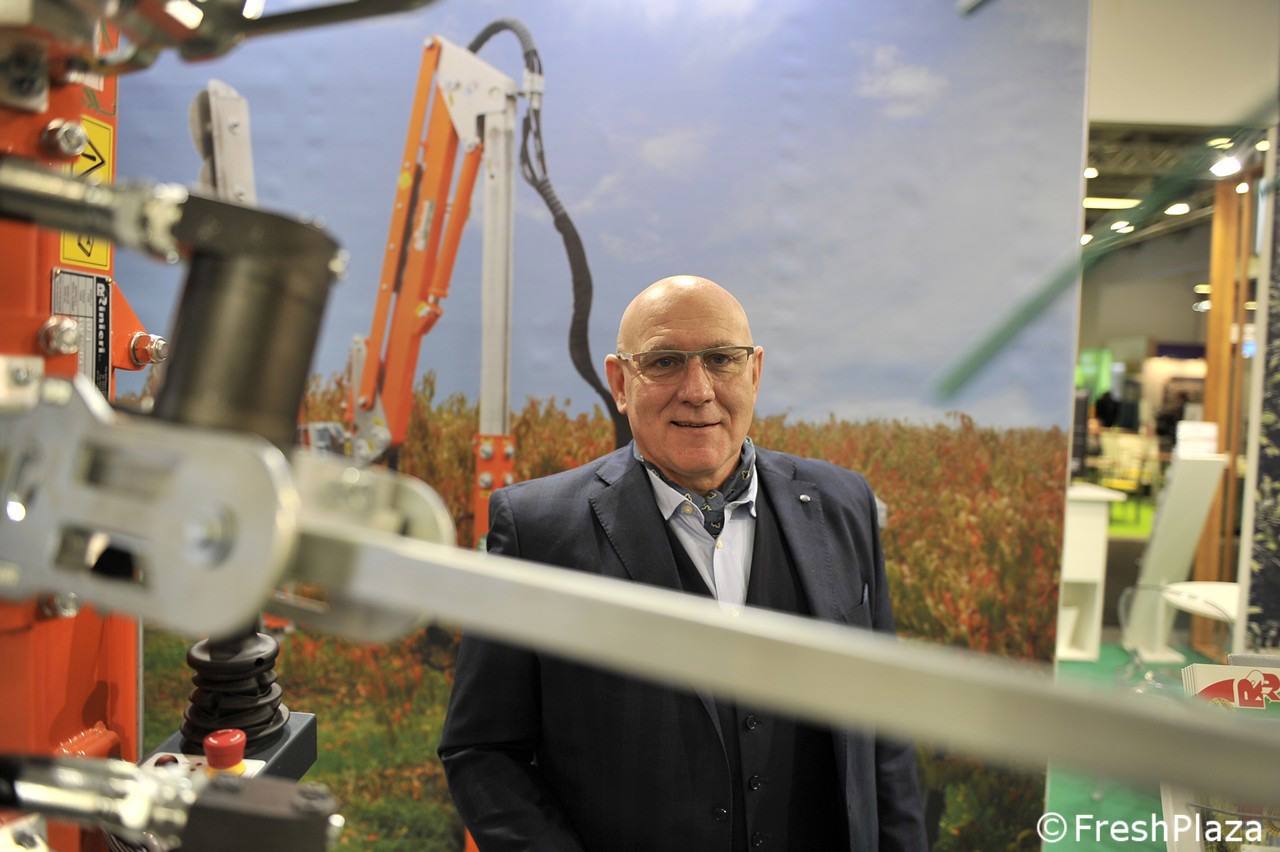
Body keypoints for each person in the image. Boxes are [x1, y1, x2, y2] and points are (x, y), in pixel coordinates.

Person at [438, 275, 928, 851]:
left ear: (754, 372)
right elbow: (483, 750)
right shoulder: (537, 532)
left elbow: (884, 724)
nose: (697, 390)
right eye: (665, 362)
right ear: (620, 383)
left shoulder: (842, 504)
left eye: (721, 359)